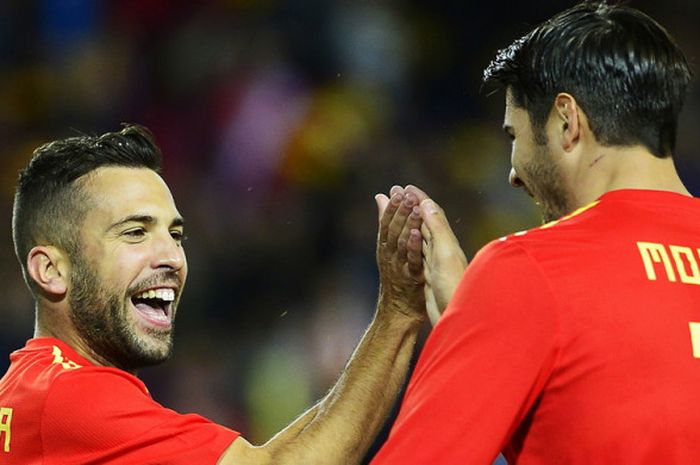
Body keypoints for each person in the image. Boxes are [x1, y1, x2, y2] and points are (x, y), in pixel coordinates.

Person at [371, 2, 700, 464]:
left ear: (567, 121)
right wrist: (482, 334)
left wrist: (488, 309)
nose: (513, 174)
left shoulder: (528, 272)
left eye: (513, 136)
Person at [0, 124, 429, 465]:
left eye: (175, 234)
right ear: (51, 270)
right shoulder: (70, 399)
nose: (173, 257)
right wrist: (399, 312)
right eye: (135, 232)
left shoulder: (41, 390)